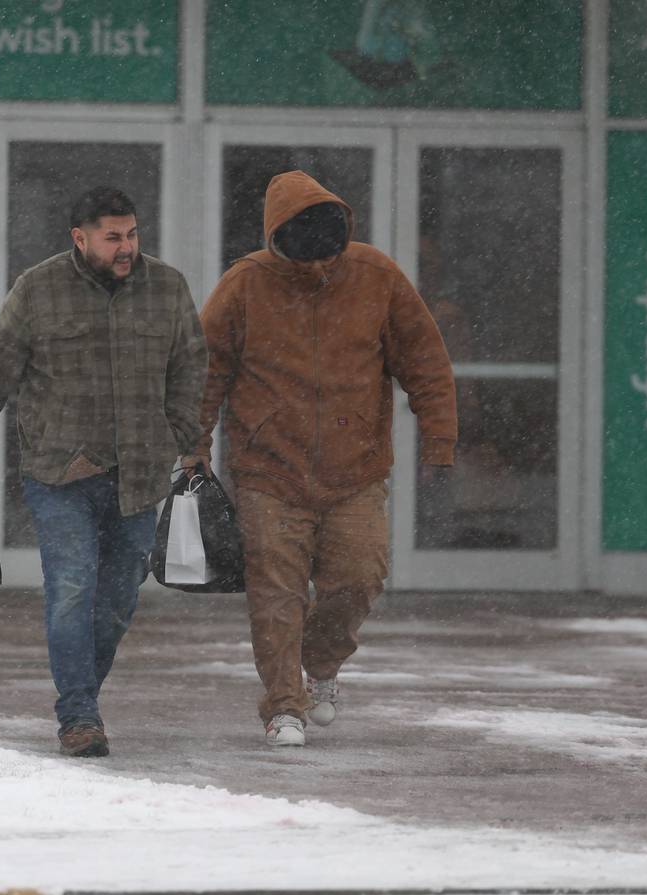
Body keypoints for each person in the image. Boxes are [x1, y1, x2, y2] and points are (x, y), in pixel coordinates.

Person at [0, 186, 207, 758]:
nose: (126, 247)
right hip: (59, 470)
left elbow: (189, 369)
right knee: (71, 589)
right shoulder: (39, 289)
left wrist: (189, 440)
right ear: (79, 238)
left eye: (131, 234)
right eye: (113, 237)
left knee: (116, 601)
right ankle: (79, 715)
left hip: (139, 470)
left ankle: (83, 693)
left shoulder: (167, 288)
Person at [191, 170, 457, 747]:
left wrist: (440, 439)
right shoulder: (245, 285)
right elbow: (205, 372)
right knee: (276, 592)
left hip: (355, 468)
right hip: (268, 469)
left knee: (360, 576)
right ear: (277, 237)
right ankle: (283, 705)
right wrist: (194, 448)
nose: (317, 262)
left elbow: (424, 360)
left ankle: (321, 664)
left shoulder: (375, 276)